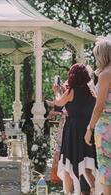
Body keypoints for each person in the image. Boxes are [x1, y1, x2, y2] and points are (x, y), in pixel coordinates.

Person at [54, 64, 97, 194]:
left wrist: (57, 91)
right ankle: (95, 190)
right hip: (88, 131)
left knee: (69, 165)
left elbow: (58, 103)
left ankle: (69, 192)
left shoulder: (71, 91)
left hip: (73, 131)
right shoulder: (91, 92)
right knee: (87, 166)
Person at [85, 36, 111, 195]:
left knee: (106, 167)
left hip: (106, 127)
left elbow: (99, 106)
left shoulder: (105, 74)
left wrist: (90, 128)